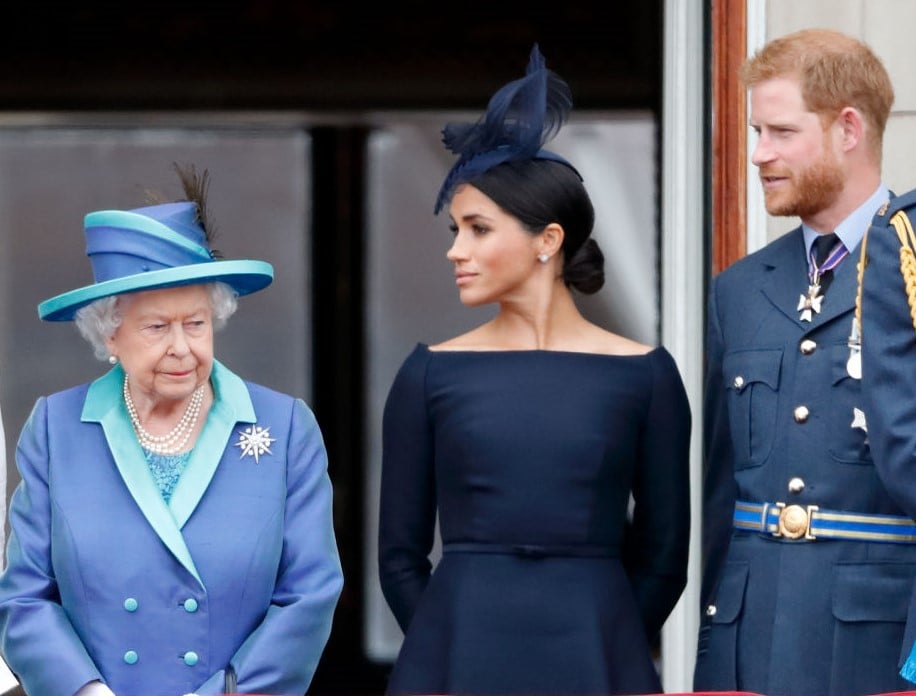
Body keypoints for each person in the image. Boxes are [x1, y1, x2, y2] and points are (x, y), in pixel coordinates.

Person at [377, 45, 692, 696]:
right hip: (454, 662)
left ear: (547, 241)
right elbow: (398, 558)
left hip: (598, 660)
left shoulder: (647, 376)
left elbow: (665, 558)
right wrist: (445, 639)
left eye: (477, 229)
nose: (455, 251)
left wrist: (610, 638)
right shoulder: (428, 374)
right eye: (455, 231)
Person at [0, 166, 344, 696]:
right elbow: (23, 597)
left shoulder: (285, 427)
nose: (182, 347)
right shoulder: (55, 429)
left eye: (197, 323)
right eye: (157, 327)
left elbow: (310, 594)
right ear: (109, 334)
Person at [693, 28, 916, 696]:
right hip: (747, 639)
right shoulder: (738, 288)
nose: (758, 154)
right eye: (756, 131)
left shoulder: (911, 265)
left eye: (780, 132)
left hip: (874, 642)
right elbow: (720, 490)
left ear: (848, 128)